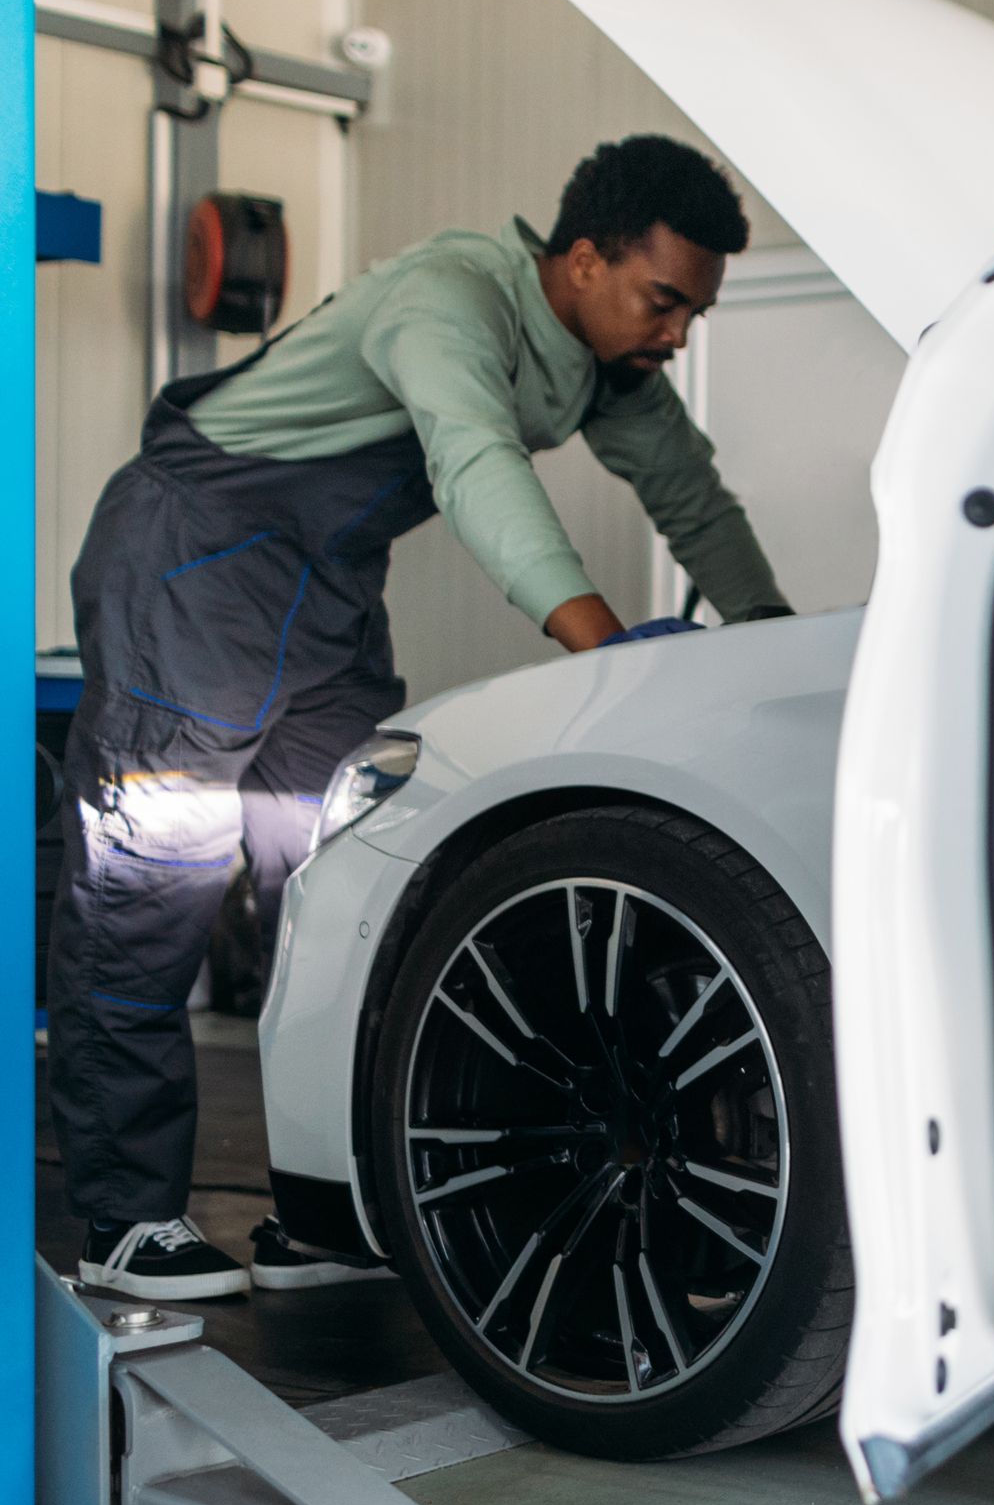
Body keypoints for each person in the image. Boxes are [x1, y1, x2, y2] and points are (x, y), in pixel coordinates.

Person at [56, 134, 792, 1301]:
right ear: (588, 260)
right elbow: (476, 467)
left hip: (327, 589)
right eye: (665, 302)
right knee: (155, 877)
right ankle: (127, 1214)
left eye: (693, 316)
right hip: (196, 560)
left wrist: (768, 637)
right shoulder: (446, 301)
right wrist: (609, 656)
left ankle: (319, 1212)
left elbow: (693, 500)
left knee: (351, 884)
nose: (675, 335)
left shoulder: (610, 371)